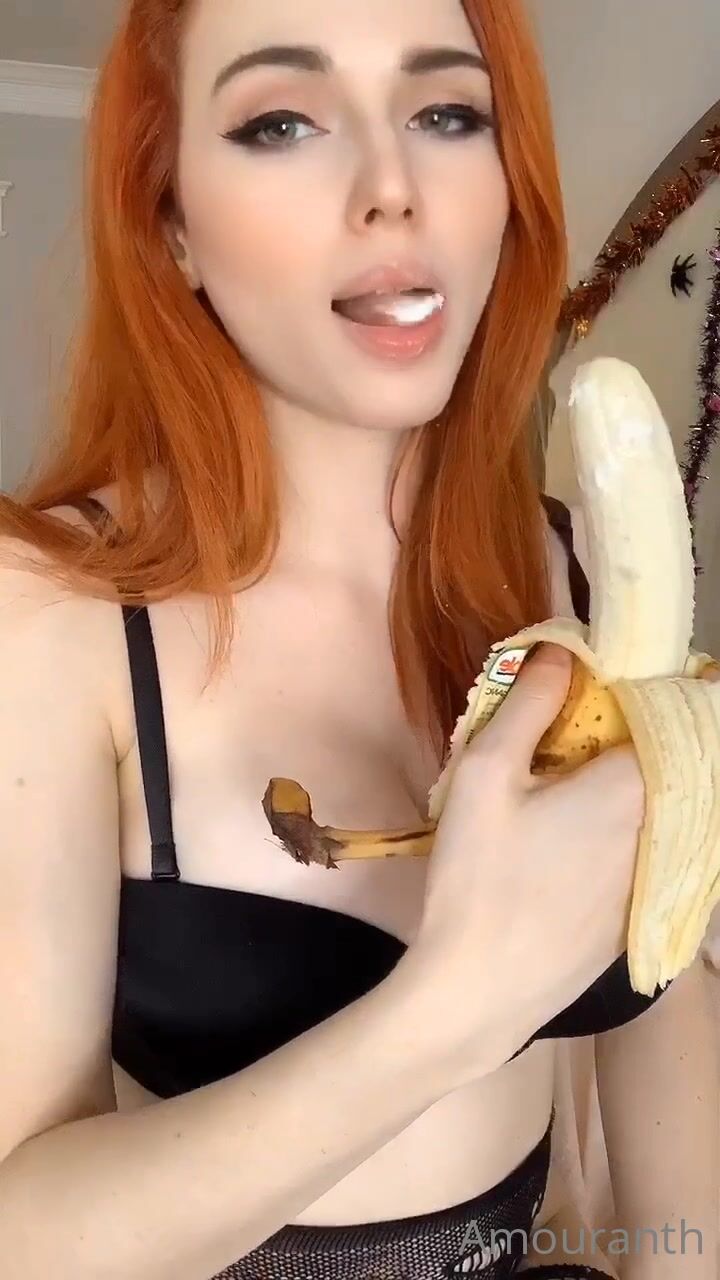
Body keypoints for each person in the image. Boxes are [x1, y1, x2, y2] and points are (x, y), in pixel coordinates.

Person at [0, 1, 716, 1277]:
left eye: (446, 112)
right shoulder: (52, 602)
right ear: (171, 223)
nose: (394, 187)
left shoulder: (567, 560)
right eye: (282, 122)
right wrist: (455, 1007)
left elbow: (659, 989)